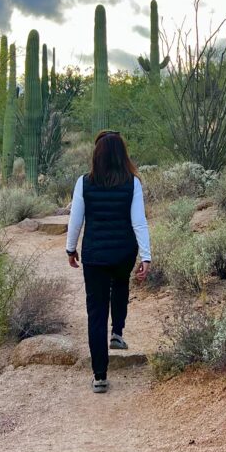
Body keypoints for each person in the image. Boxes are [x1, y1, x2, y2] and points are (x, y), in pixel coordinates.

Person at [65, 130, 152, 393]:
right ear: (122, 155)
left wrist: (70, 249)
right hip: (124, 252)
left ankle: (100, 375)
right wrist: (145, 255)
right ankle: (118, 331)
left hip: (94, 255)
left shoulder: (84, 182)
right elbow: (138, 221)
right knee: (121, 283)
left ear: (97, 155)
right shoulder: (132, 183)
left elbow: (76, 220)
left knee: (95, 313)